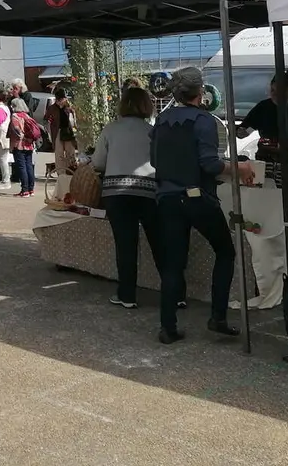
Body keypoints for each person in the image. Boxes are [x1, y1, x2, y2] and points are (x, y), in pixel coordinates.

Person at [151, 66, 253, 344]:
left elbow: (155, 161)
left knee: (172, 264)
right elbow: (210, 163)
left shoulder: (161, 120)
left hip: (167, 198)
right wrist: (240, 168)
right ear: (201, 92)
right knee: (225, 251)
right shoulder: (203, 120)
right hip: (197, 197)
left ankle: (167, 326)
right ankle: (217, 316)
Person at [93, 87, 161, 309]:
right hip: (149, 192)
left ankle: (127, 295)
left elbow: (98, 163)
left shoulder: (111, 129)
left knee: (125, 245)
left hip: (116, 194)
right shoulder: (153, 131)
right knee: (160, 243)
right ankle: (175, 292)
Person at [237, 73, 288, 171]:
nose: (275, 95)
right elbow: (245, 127)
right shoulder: (263, 107)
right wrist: (240, 131)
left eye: (281, 91)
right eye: (272, 90)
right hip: (268, 162)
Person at [8, 98, 41, 197]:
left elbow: (17, 132)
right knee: (29, 166)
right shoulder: (27, 116)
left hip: (19, 145)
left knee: (22, 167)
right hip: (29, 145)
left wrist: (22, 137)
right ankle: (31, 189)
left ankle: (24, 190)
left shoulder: (15, 116)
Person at [47, 87, 77, 175]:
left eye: (64, 98)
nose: (62, 101)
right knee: (59, 153)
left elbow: (74, 118)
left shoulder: (69, 107)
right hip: (58, 132)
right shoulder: (52, 108)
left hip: (68, 132)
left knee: (70, 152)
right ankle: (61, 173)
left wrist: (69, 109)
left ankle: (71, 170)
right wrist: (50, 125)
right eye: (61, 99)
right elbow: (46, 119)